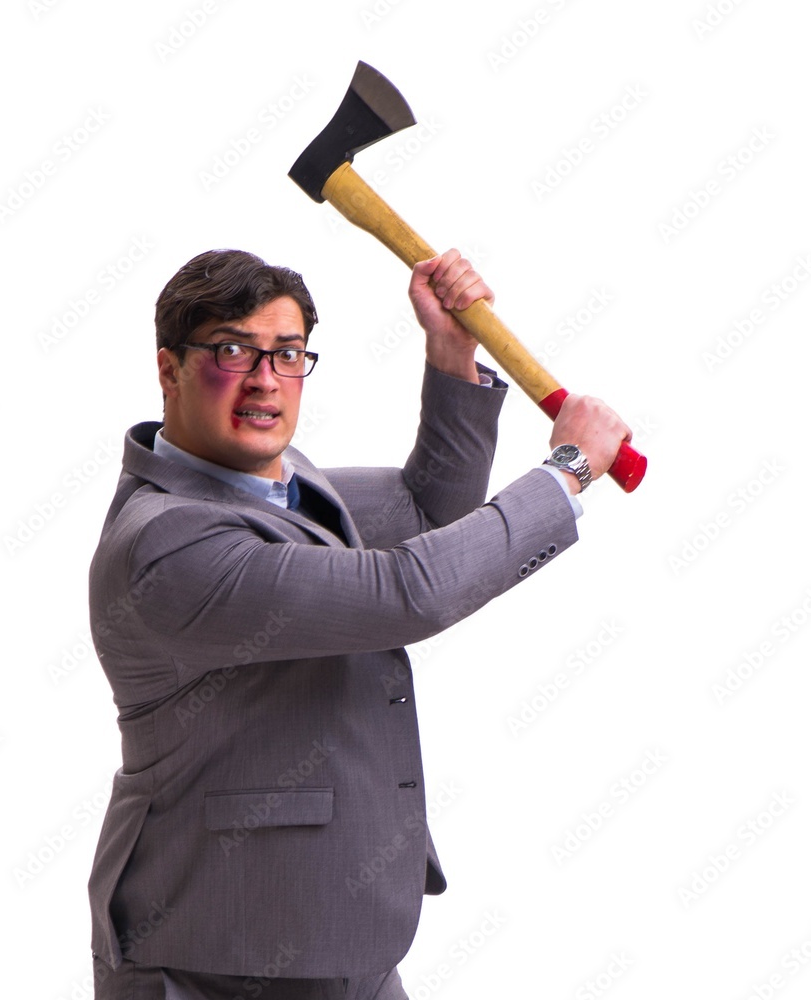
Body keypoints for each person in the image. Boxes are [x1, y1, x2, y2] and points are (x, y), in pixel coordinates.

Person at [86, 247, 631, 1000]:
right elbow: (409, 591)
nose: (264, 379)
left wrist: (451, 352)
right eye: (233, 351)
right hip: (214, 955)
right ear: (169, 370)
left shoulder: (280, 488)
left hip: (340, 934)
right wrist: (569, 470)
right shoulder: (169, 545)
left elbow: (427, 512)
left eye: (286, 354)